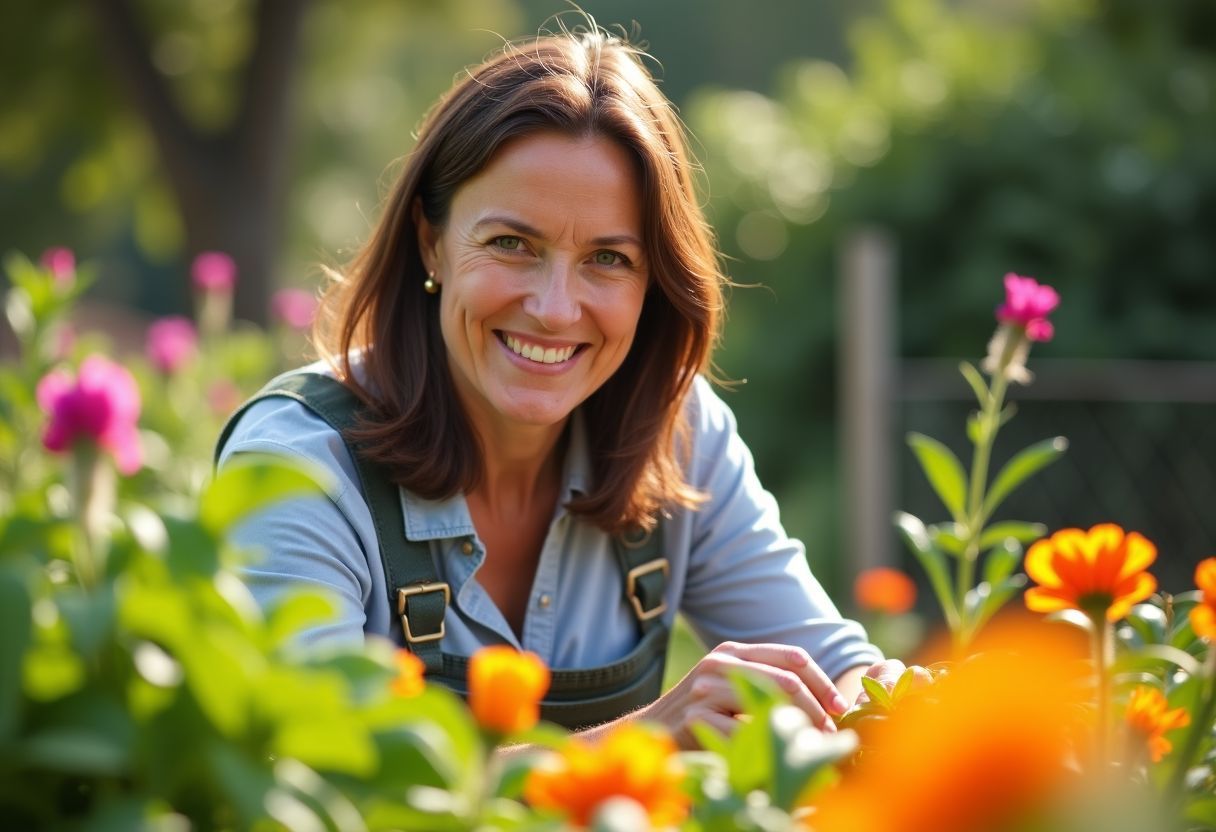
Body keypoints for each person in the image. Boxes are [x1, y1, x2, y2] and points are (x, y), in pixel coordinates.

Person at [217, 24, 904, 748]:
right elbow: (311, 782)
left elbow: (833, 672)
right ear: (432, 241)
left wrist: (899, 701)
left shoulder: (677, 434)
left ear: (654, 283)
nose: (554, 308)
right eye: (513, 245)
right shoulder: (295, 469)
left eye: (608, 259)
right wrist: (647, 742)